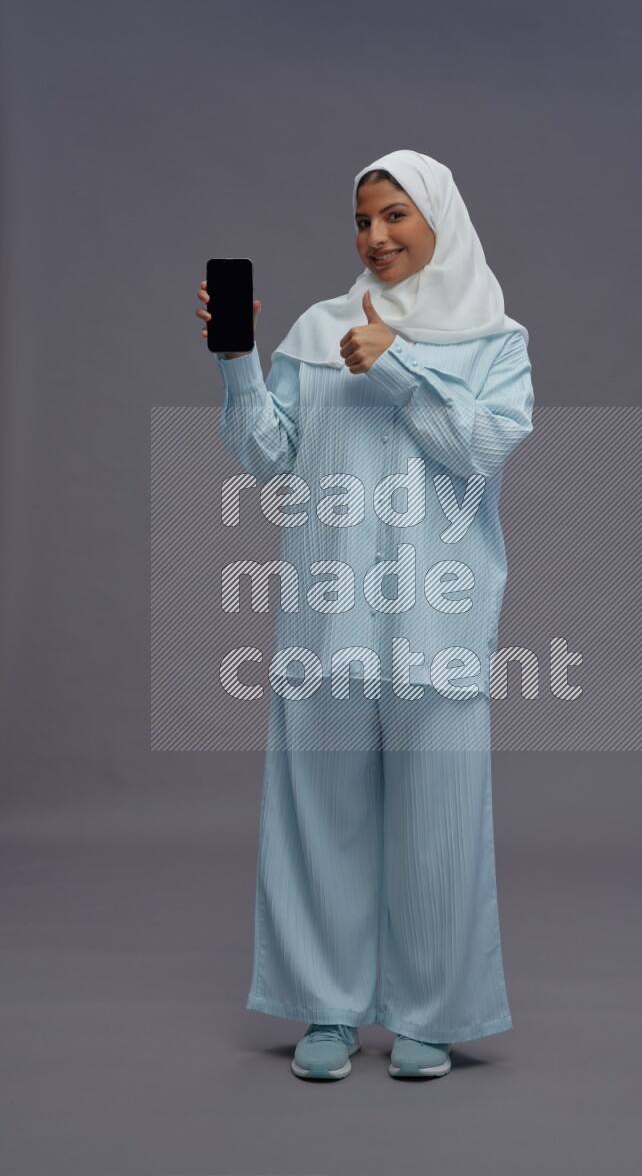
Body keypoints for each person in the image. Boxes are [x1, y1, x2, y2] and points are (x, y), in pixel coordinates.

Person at [195, 149, 535, 1080]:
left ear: (438, 219)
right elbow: (269, 460)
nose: (376, 237)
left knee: (441, 827)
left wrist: (398, 366)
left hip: (440, 621)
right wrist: (237, 363)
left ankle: (431, 1011)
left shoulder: (495, 340)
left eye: (395, 216)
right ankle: (327, 1007)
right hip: (328, 618)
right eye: (361, 221)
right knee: (320, 817)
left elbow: (478, 452)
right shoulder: (316, 328)